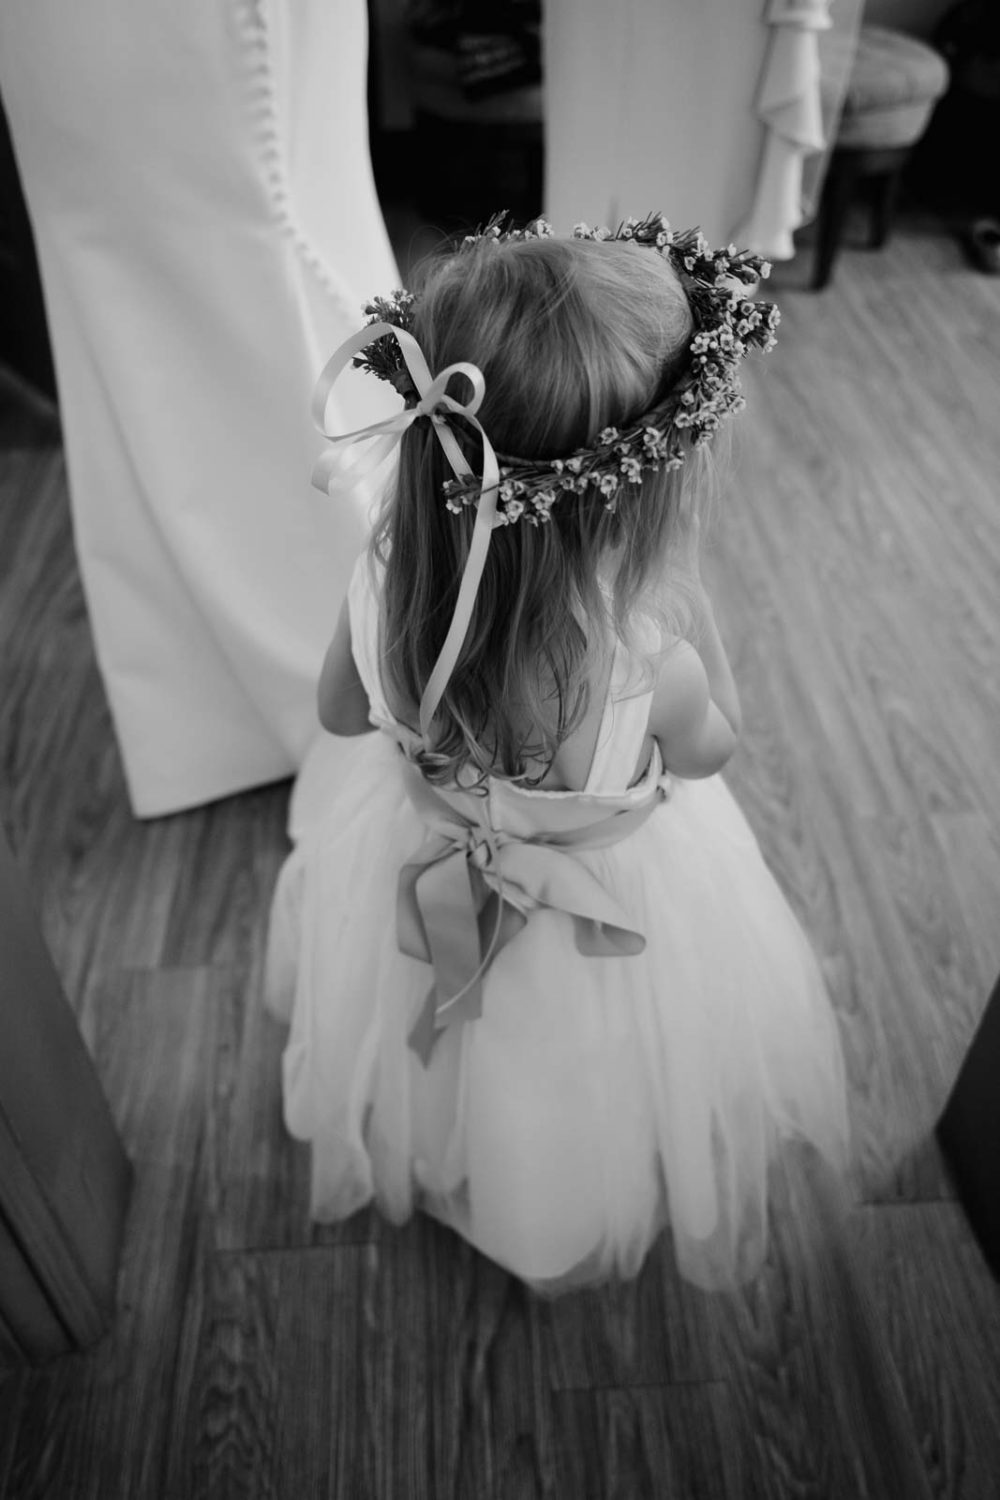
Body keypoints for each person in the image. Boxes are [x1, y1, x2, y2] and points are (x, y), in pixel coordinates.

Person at [265, 214, 849, 1293]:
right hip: (612, 904)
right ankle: (565, 1190)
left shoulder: (378, 595)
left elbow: (343, 723)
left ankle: (458, 1155)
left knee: (460, 1051)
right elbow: (711, 753)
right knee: (585, 1065)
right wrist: (702, 658)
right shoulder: (649, 663)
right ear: (638, 501)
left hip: (425, 865)